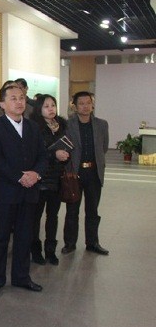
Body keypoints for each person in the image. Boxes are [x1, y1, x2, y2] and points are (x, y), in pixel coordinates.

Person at [0, 84, 47, 298]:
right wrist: (20, 177)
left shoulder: (33, 127)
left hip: (29, 192)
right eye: (13, 98)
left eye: (21, 98)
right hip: (5, 191)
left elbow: (43, 155)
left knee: (25, 236)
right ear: (2, 104)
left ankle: (21, 277)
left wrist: (36, 174)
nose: (19, 102)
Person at [62, 91, 110, 256]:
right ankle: (70, 243)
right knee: (72, 211)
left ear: (92, 104)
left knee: (92, 211)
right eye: (81, 103)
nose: (85, 106)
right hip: (74, 173)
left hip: (94, 173)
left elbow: (104, 147)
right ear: (75, 106)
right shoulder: (68, 125)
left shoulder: (102, 124)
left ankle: (92, 243)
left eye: (88, 103)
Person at [30, 94, 70, 265]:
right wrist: (54, 154)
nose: (51, 109)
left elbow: (66, 147)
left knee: (53, 216)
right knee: (35, 217)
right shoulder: (34, 127)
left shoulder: (62, 126)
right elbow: (34, 153)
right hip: (40, 178)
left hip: (57, 178)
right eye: (46, 106)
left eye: (53, 105)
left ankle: (50, 250)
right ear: (39, 109)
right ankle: (35, 250)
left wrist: (65, 155)